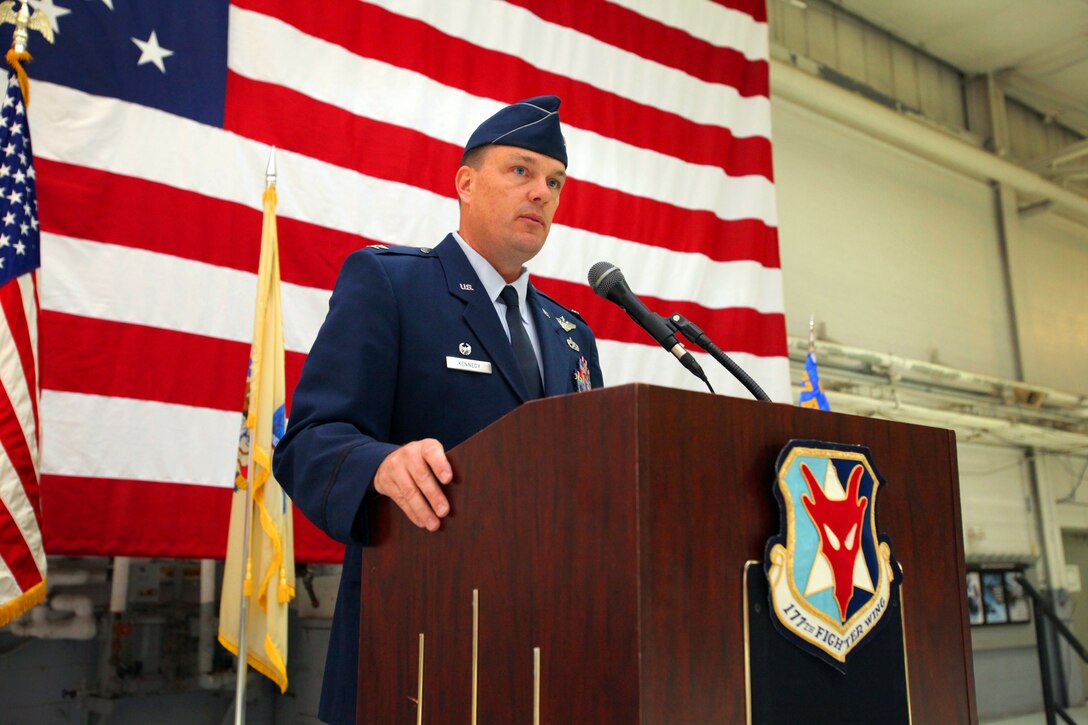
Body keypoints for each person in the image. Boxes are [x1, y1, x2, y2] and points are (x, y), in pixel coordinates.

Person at [273, 95, 604, 725]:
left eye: (554, 182)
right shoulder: (392, 286)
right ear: (466, 183)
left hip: (545, 656)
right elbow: (308, 441)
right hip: (414, 643)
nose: (541, 192)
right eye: (521, 171)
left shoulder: (571, 334)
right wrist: (380, 464)